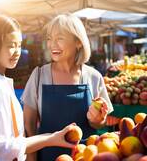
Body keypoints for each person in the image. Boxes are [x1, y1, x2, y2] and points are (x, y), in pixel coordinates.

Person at [0, 15, 76, 161]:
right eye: (11, 46)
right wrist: (49, 139)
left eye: (19, 45)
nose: (18, 51)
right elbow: (0, 150)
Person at [22, 13, 114, 161]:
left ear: (78, 42)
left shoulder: (93, 76)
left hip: (84, 155)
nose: (52, 44)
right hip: (46, 155)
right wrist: (31, 157)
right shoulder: (38, 76)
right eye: (49, 39)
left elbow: (99, 123)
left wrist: (97, 119)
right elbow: (29, 124)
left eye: (59, 38)